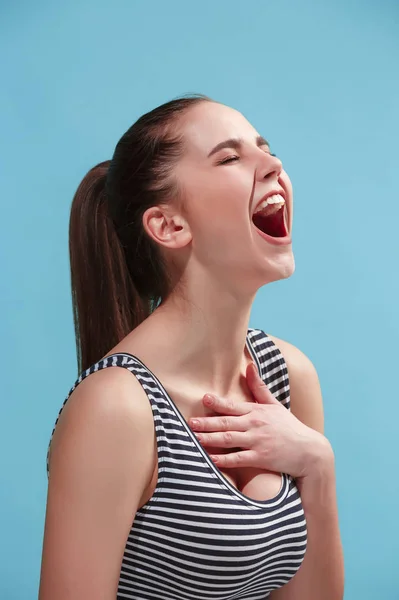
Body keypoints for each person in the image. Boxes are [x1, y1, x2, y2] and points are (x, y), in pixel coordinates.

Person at [39, 94, 344, 599]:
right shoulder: (117, 408)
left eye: (265, 148)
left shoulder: (289, 376)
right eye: (230, 157)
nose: (274, 164)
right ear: (169, 226)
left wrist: (318, 466)